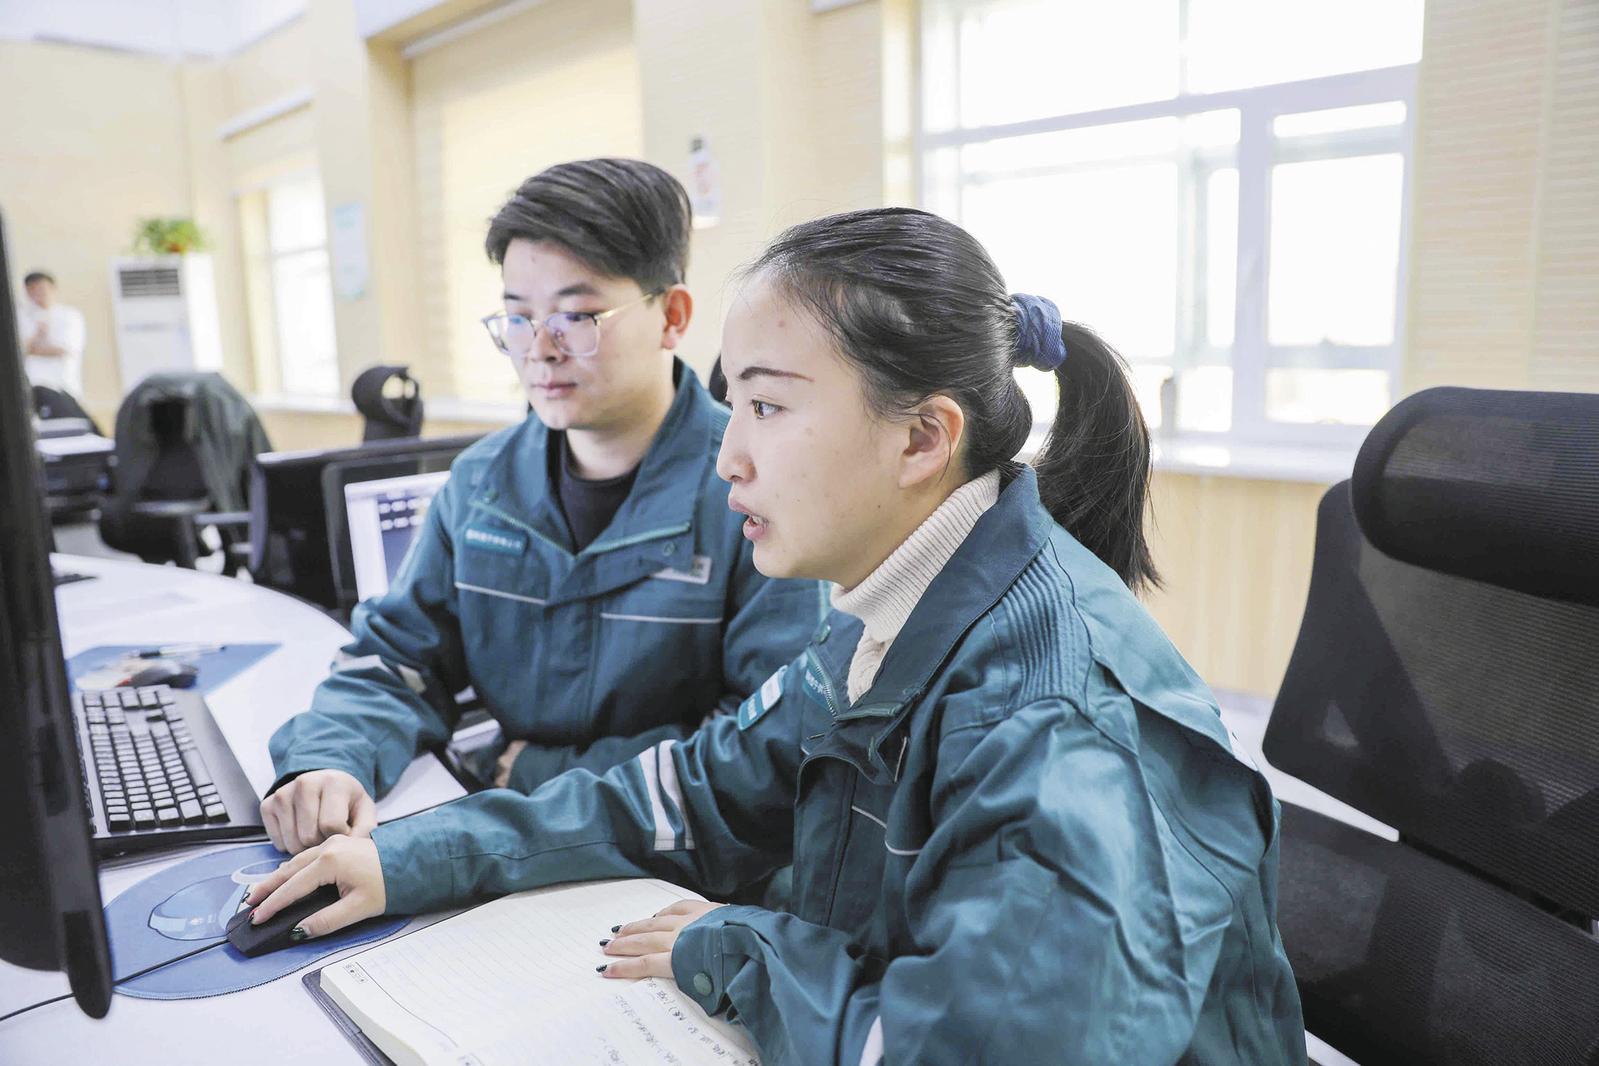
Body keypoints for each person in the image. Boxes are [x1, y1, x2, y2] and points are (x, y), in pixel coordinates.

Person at [246, 207, 1306, 1063]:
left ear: (922, 438)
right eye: (733, 407)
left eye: (767, 408)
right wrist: (410, 856)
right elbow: (693, 792)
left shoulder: (1056, 730)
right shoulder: (883, 620)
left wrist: (744, 952)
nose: (727, 460)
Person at [260, 159, 825, 855]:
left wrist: (541, 774)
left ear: (672, 316)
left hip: (683, 867)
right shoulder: (481, 485)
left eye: (577, 317)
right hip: (509, 841)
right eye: (518, 318)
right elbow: (396, 659)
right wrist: (329, 760)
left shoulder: (753, 489)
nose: (540, 350)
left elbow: (765, 742)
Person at [19, 270, 86, 396]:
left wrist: (31, 349)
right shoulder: (23, 317)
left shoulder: (70, 316)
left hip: (63, 386)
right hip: (30, 387)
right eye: (32, 289)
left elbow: (65, 350)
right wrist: (37, 335)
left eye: (41, 288)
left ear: (53, 288)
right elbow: (17, 350)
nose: (37, 293)